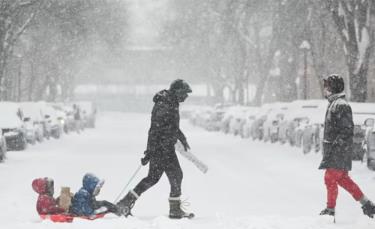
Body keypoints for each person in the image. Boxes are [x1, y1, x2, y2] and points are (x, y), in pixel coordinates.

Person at [117, 79, 194, 219]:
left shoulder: (170, 102)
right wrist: (149, 151)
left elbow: (171, 126)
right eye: (185, 93)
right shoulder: (165, 104)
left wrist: (182, 138)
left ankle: (126, 202)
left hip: (163, 148)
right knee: (176, 175)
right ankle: (175, 210)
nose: (186, 97)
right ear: (178, 92)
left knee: (153, 178)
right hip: (162, 149)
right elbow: (155, 129)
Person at [319, 74, 375, 218]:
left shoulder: (341, 105)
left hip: (338, 151)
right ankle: (366, 203)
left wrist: (335, 146)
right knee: (343, 180)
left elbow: (346, 130)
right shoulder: (334, 103)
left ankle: (330, 209)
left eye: (327, 87)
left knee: (329, 178)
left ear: (334, 88)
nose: (325, 90)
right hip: (337, 151)